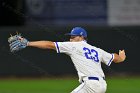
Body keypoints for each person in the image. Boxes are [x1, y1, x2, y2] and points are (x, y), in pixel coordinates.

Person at [8, 27, 126, 93]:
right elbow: (115, 58)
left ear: (81, 37)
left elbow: (50, 45)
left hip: (91, 85)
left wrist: (29, 43)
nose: (70, 39)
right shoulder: (96, 50)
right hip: (102, 85)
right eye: (70, 37)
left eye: (73, 36)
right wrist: (121, 57)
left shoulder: (75, 46)